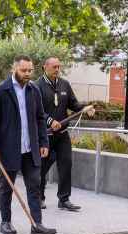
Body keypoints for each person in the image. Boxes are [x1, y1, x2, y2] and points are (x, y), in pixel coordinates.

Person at [0, 55, 57, 234]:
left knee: (34, 186)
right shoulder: (2, 91)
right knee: (6, 187)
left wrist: (43, 142)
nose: (27, 74)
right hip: (9, 148)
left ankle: (37, 224)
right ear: (14, 69)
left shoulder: (34, 90)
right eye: (23, 70)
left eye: (30, 70)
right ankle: (6, 222)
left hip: (30, 148)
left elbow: (40, 118)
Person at [36, 57, 95, 211]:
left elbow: (73, 104)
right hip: (45, 135)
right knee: (42, 167)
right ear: (45, 67)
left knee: (66, 164)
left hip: (62, 134)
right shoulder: (37, 86)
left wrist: (84, 108)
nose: (57, 69)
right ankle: (39, 197)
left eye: (59, 67)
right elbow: (36, 110)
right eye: (54, 66)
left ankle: (64, 199)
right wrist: (50, 121)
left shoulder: (64, 84)